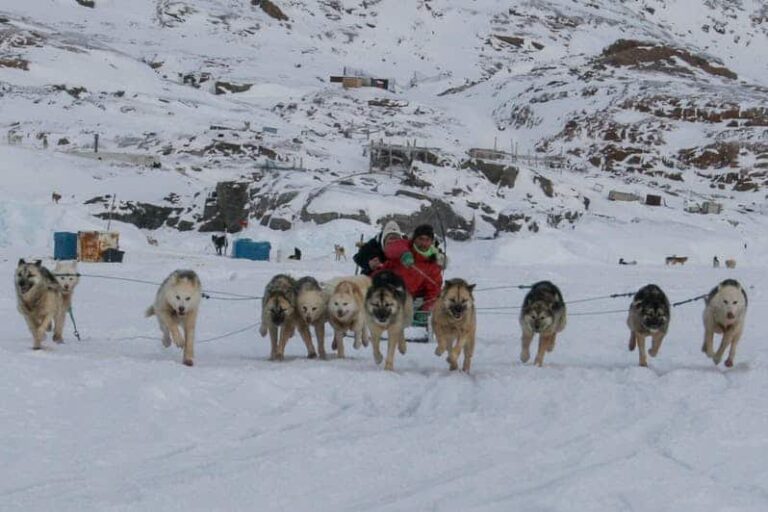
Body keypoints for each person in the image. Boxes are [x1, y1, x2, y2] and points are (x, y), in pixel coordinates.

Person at [374, 223, 444, 313]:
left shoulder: (433, 264)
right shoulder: (405, 246)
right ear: (414, 239)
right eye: (420, 239)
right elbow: (391, 248)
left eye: (427, 240)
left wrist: (426, 310)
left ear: (431, 242)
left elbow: (433, 290)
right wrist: (404, 253)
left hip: (407, 300)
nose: (423, 243)